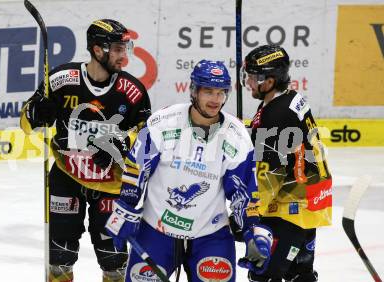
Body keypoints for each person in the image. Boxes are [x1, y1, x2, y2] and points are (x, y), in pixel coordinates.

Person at [105, 60, 273, 281]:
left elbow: (244, 192)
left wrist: (253, 231)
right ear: (194, 91)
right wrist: (125, 208)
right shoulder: (163, 122)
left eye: (221, 92)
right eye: (208, 91)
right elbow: (137, 168)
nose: (215, 99)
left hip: (210, 235)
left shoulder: (237, 136)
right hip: (156, 231)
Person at [20, 19, 151, 282]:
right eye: (117, 49)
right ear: (97, 49)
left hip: (110, 184)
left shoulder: (133, 91)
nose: (124, 56)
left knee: (114, 262)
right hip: (66, 178)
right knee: (59, 257)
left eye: (125, 48)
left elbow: (148, 136)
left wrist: (122, 143)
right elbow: (25, 124)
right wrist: (36, 113)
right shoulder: (60, 80)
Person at [239, 44, 332, 281]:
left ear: (269, 81)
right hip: (311, 196)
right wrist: (252, 132)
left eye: (251, 77)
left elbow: (269, 176)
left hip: (292, 208)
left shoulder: (274, 115)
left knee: (265, 273)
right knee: (299, 274)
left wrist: (249, 212)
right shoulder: (291, 99)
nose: (248, 82)